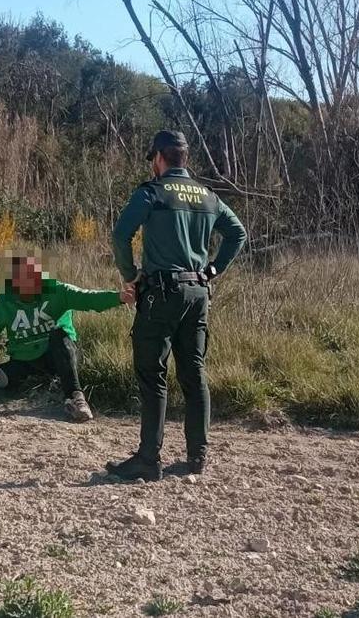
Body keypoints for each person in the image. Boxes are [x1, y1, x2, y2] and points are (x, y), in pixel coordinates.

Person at [104, 130, 247, 481]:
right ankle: (197, 456)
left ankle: (148, 460)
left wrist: (131, 275)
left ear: (158, 158)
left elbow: (121, 235)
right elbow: (238, 233)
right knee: (193, 374)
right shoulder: (207, 195)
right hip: (198, 293)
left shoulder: (152, 192)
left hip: (161, 294)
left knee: (153, 376)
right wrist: (212, 269)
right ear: (184, 158)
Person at [0, 255, 134, 422]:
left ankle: (75, 397)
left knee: (60, 336)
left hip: (58, 355)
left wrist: (119, 297)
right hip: (24, 358)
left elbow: (89, 298)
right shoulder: (5, 303)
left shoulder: (58, 291)